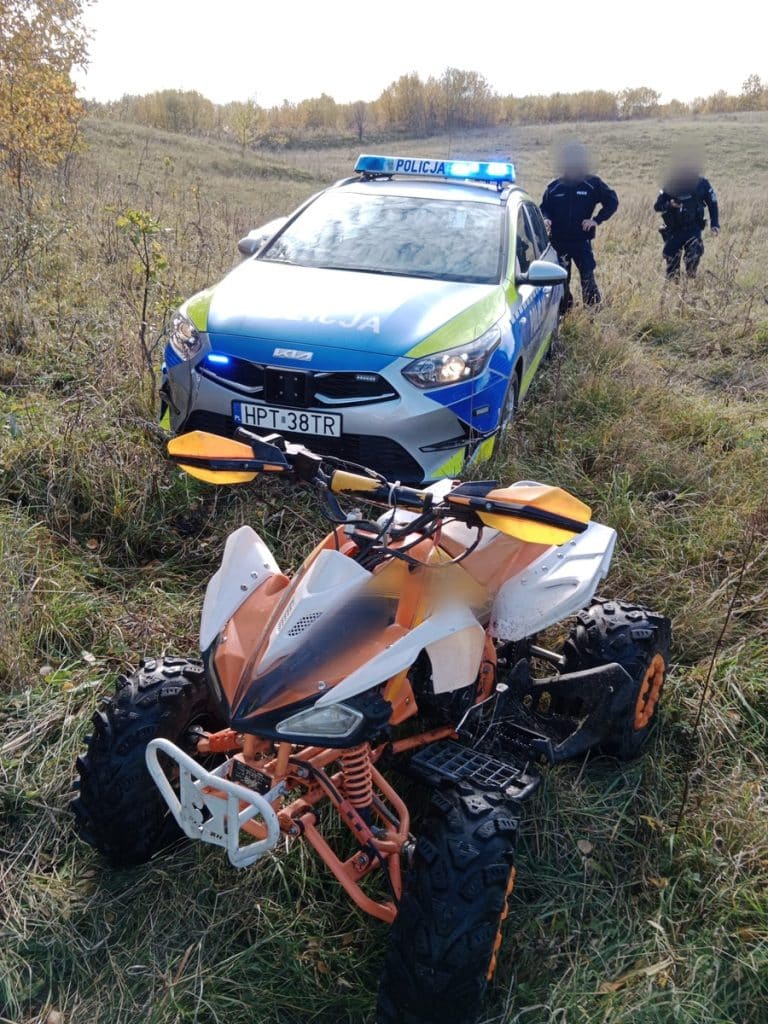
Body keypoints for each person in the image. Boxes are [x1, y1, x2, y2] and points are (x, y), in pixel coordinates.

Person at [540, 142, 618, 312]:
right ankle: (563, 313)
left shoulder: (592, 184)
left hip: (581, 241)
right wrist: (546, 219)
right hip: (558, 242)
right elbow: (544, 208)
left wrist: (596, 220)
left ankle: (592, 313)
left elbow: (612, 201)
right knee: (560, 280)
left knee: (587, 277)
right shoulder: (554, 187)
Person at [654, 159, 719, 279]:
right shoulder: (671, 184)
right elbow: (657, 206)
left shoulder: (702, 184)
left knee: (694, 253)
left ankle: (691, 281)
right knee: (672, 269)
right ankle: (674, 289)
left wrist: (715, 224)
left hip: (693, 227)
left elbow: (712, 203)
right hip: (674, 230)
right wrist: (670, 204)